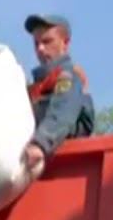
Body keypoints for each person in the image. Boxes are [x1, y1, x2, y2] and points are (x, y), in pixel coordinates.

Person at [22, 14, 95, 172]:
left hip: (67, 167)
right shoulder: (34, 88)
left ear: (65, 43)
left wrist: (40, 144)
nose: (40, 49)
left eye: (47, 41)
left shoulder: (68, 77)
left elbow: (62, 111)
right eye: (36, 43)